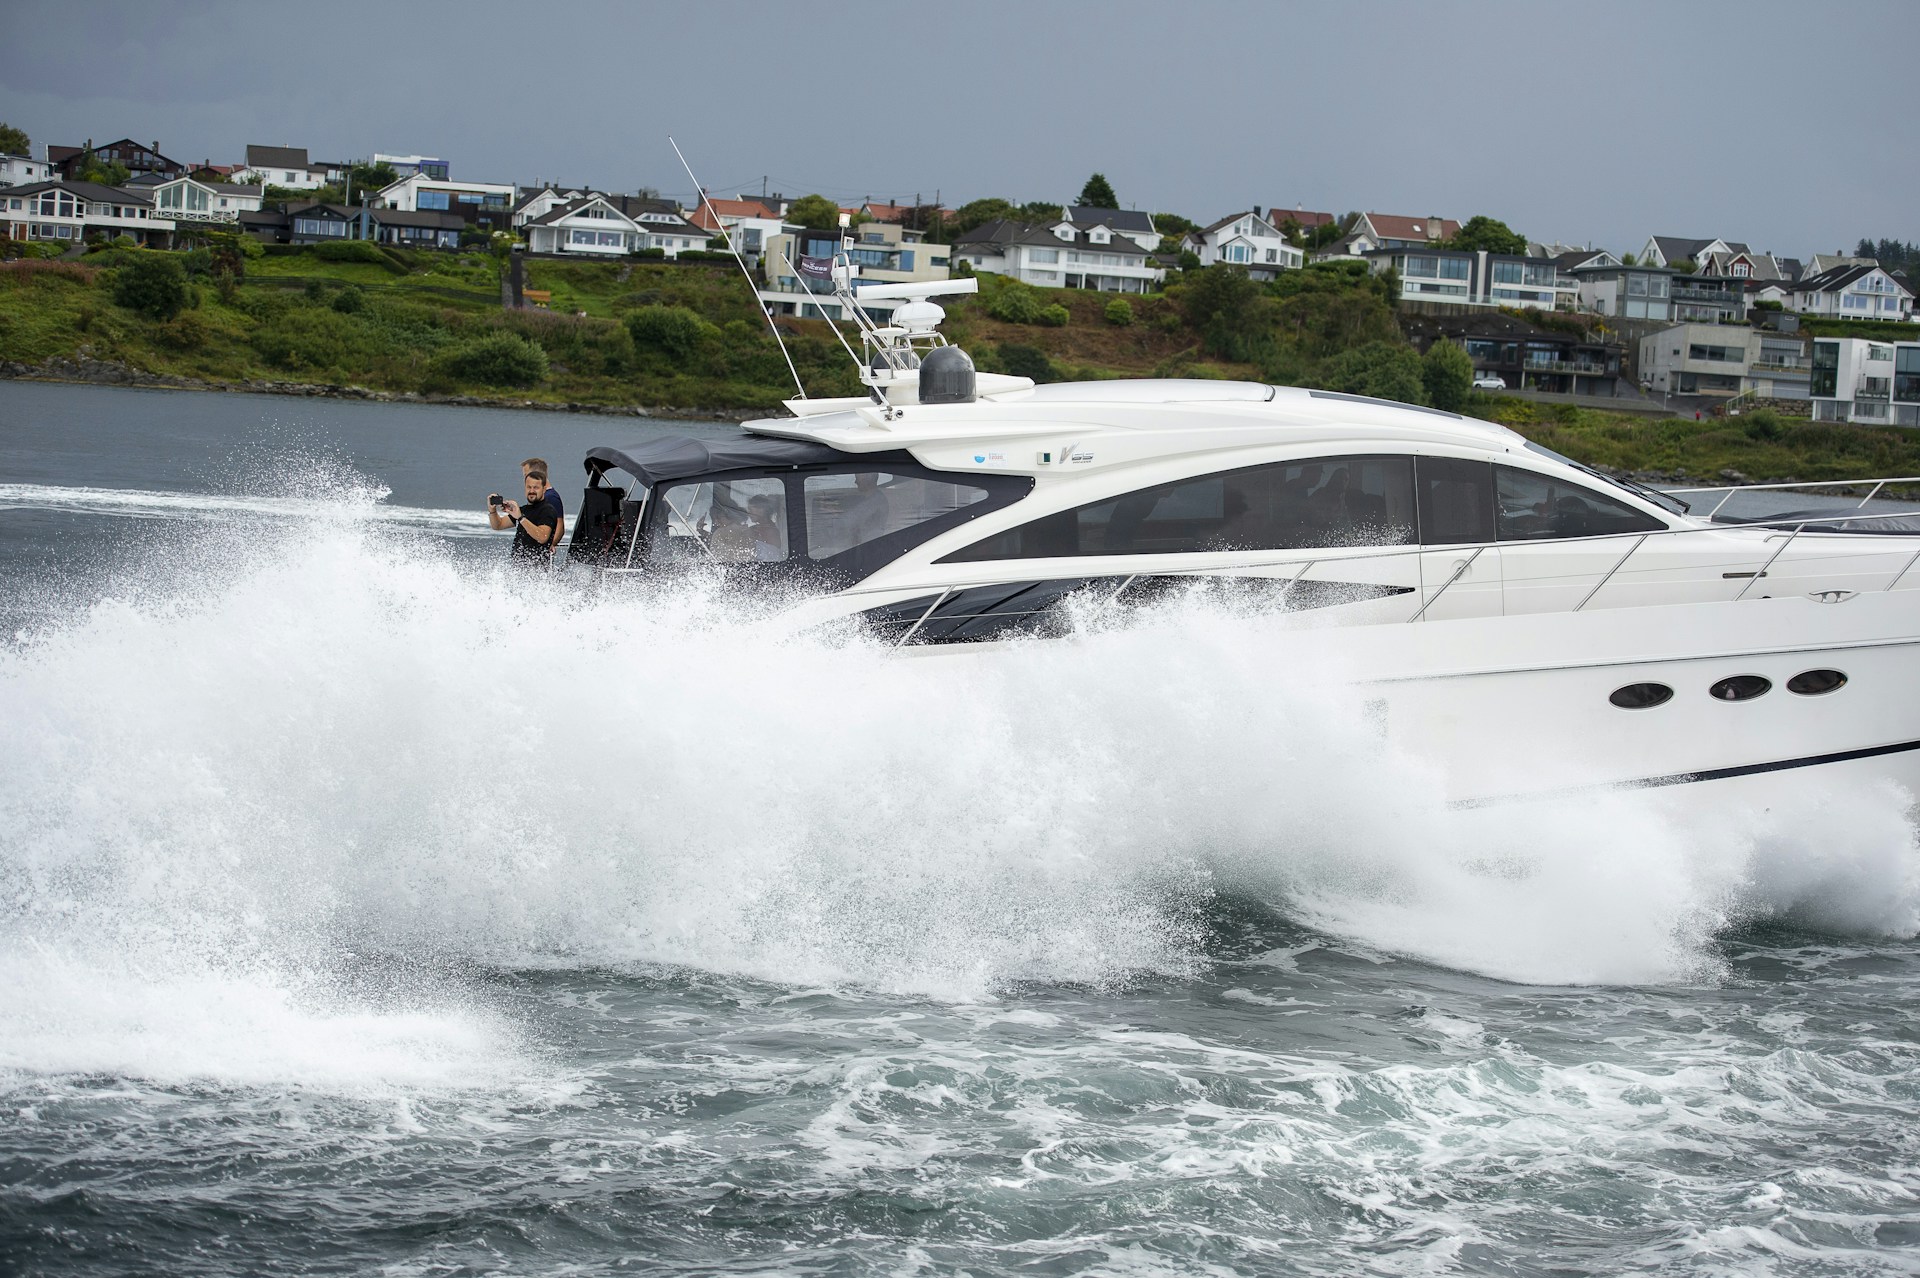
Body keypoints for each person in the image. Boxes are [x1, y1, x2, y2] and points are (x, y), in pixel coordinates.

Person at [488, 464, 562, 566]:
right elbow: (498, 525)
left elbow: (543, 537)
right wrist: (492, 511)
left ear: (544, 489)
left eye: (536, 488)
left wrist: (520, 518)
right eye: (529, 487)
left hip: (536, 571)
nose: (531, 491)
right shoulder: (523, 510)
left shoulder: (548, 510)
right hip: (518, 569)